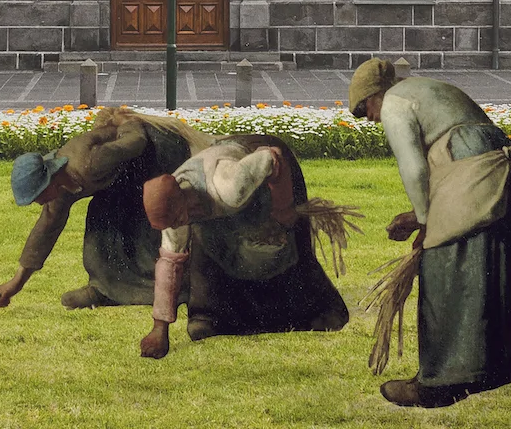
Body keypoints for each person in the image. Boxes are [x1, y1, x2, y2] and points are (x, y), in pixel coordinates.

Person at [349, 58, 511, 409]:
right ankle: (484, 372)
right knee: (484, 266)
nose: (370, 118)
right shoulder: (423, 89)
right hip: (496, 165)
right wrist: (419, 218)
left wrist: (424, 222)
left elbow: (414, 169)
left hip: (470, 165)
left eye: (364, 109)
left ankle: (436, 384)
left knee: (441, 268)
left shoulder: (394, 103)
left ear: (375, 96)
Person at [136, 132, 355, 359]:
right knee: (212, 249)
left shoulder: (228, 186)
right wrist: (160, 328)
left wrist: (283, 210)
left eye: (176, 220)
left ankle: (321, 311)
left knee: (287, 244)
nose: (174, 226)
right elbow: (170, 263)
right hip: (229, 184)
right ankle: (210, 317)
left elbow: (272, 157)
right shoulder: (175, 213)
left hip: (263, 164)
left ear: (182, 200)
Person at [0, 105, 207, 314]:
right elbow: (46, 229)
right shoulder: (61, 188)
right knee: (100, 220)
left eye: (38, 196)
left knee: (149, 221)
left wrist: (126, 122)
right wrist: (16, 283)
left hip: (159, 150)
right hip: (128, 173)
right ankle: (104, 289)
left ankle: (179, 288)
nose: (38, 202)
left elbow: (136, 142)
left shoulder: (90, 163)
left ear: (49, 181)